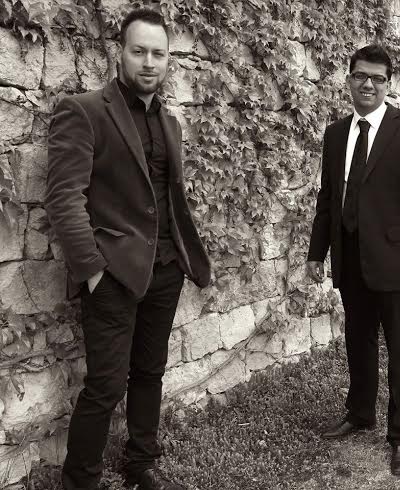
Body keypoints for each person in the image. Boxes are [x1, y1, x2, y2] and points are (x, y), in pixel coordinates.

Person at [45, 8, 210, 490]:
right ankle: (80, 480)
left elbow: (169, 197)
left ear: (169, 59)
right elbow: (64, 197)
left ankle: (141, 464)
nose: (149, 62)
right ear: (120, 52)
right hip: (113, 273)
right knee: (106, 385)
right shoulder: (84, 110)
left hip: (166, 268)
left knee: (150, 373)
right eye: (139, 51)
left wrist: (183, 256)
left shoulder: (170, 123)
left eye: (159, 53)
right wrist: (93, 270)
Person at [305, 44, 400, 476]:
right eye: (361, 76)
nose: (368, 84)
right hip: (350, 258)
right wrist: (317, 252)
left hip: (397, 261)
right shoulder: (334, 134)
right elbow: (328, 197)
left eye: (378, 78)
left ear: (389, 84)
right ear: (348, 79)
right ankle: (360, 412)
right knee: (358, 340)